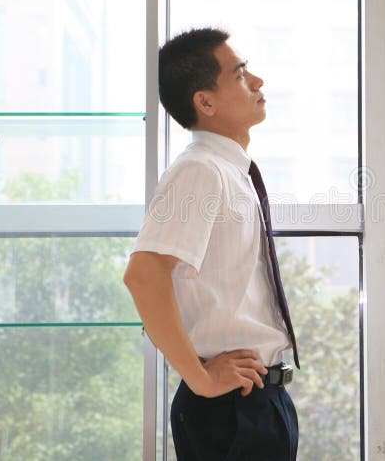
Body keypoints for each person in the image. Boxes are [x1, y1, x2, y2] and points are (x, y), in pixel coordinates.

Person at [123, 27, 300, 460]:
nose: (257, 81)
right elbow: (144, 275)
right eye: (240, 74)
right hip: (229, 407)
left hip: (257, 400)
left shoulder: (229, 172)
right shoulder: (200, 170)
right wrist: (201, 380)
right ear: (205, 101)